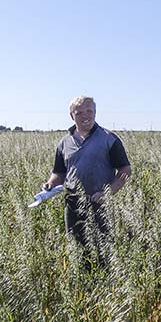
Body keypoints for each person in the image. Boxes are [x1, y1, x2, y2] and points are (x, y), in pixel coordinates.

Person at [42, 96, 131, 269]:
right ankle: (83, 287)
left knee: (103, 251)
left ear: (95, 112)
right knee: (76, 251)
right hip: (72, 204)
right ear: (71, 116)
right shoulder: (64, 143)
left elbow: (125, 171)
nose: (85, 116)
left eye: (89, 111)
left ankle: (104, 288)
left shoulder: (109, 139)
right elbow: (59, 173)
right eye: (79, 112)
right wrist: (50, 184)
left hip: (99, 204)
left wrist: (107, 193)